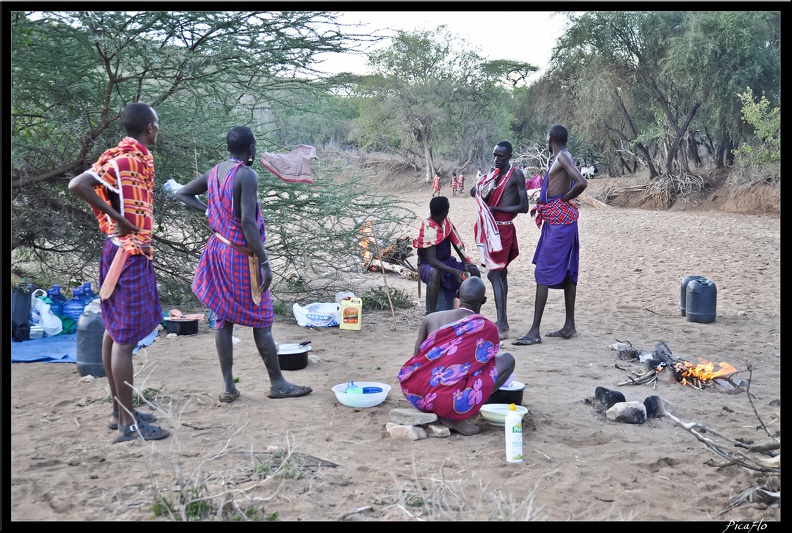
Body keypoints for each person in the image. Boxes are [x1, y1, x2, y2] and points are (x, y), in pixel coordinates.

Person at [175, 126, 312, 402]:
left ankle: (228, 387)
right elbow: (248, 222)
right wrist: (264, 261)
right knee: (262, 319)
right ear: (251, 149)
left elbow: (183, 193)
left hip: (218, 251)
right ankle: (278, 384)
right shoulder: (246, 175)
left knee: (223, 320)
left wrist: (211, 211)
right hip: (241, 257)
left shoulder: (215, 172)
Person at [68, 102, 169, 442]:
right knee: (124, 341)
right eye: (157, 124)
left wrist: (117, 218)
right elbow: (77, 185)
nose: (158, 129)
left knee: (113, 332)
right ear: (149, 127)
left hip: (119, 250)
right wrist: (121, 218)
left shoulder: (125, 158)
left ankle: (118, 412)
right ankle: (128, 425)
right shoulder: (125, 160)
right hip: (127, 252)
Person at [398, 276, 516, 436]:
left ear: (458, 294)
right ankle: (457, 415)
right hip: (449, 401)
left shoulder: (431, 318)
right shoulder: (488, 328)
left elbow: (418, 358)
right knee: (507, 360)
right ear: (484, 300)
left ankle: (446, 408)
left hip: (415, 392)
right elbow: (483, 364)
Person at [512, 124, 588, 346]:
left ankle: (534, 331)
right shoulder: (566, 155)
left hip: (559, 223)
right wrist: (563, 198)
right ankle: (569, 326)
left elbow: (582, 182)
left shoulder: (562, 157)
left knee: (543, 271)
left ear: (550, 139)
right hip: (561, 222)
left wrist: (562, 200)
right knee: (567, 270)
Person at [470, 141, 529, 340]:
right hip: (492, 229)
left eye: (500, 157)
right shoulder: (493, 175)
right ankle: (502, 321)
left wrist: (498, 210)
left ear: (509, 156)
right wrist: (478, 192)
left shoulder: (516, 174)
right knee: (500, 274)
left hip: (503, 230)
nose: (496, 159)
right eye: (495, 155)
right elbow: (487, 201)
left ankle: (502, 325)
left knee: (495, 275)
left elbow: (524, 207)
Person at [413, 196, 480, 314]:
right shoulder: (429, 228)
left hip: (447, 261)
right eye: (448, 208)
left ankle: (471, 311)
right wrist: (455, 271)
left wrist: (465, 262)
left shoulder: (445, 222)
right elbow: (432, 260)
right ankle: (432, 313)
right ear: (444, 211)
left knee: (473, 271)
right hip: (428, 265)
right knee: (435, 272)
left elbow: (456, 242)